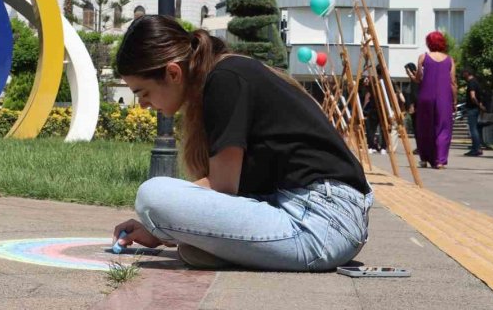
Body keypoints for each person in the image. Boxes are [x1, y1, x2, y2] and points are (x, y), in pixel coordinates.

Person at [111, 15, 372, 271]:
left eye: (143, 93)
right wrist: (166, 229)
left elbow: (222, 187)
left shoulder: (224, 79)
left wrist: (161, 224)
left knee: (152, 196)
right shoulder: (225, 74)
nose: (143, 105)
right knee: (194, 252)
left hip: (320, 222)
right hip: (322, 218)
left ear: (173, 73)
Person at [414, 31, 456, 169]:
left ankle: (425, 158)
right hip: (444, 97)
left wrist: (412, 76)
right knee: (443, 127)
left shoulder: (423, 57)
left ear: (429, 43)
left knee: (424, 126)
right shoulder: (450, 60)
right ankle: (440, 161)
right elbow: (453, 82)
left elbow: (419, 78)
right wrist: (455, 101)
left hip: (426, 95)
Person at [461, 68, 485, 157]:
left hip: (472, 108)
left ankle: (476, 149)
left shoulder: (471, 82)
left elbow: (473, 96)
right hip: (476, 109)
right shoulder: (476, 82)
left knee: (473, 129)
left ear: (467, 73)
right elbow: (480, 96)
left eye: (463, 73)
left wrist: (478, 105)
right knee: (475, 128)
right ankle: (476, 148)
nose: (462, 75)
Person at [404, 62, 420, 155]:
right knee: (416, 129)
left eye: (407, 71)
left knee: (418, 128)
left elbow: (415, 94)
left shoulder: (415, 81)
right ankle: (419, 146)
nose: (406, 73)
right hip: (413, 109)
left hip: (416, 108)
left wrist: (412, 105)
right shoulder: (411, 81)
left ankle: (420, 147)